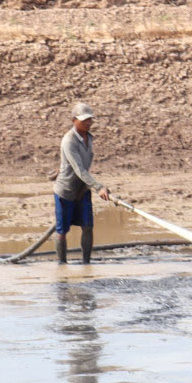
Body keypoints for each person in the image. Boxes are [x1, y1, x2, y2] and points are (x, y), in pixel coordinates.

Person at [54, 101, 112, 265]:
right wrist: (99, 186)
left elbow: (83, 168)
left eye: (90, 120)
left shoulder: (89, 138)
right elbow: (79, 169)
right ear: (74, 120)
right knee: (62, 231)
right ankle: (62, 265)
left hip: (83, 189)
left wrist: (94, 186)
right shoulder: (69, 141)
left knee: (87, 226)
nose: (88, 123)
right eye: (84, 120)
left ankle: (86, 263)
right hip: (66, 190)